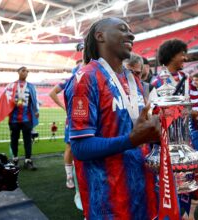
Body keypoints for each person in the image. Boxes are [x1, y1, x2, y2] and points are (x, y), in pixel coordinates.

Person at [65, 17, 160, 219]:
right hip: (109, 203)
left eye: (131, 30)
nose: (131, 34)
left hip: (143, 194)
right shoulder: (86, 79)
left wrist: (154, 134)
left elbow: (135, 129)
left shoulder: (132, 79)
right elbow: (80, 148)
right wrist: (131, 140)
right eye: (122, 29)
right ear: (100, 36)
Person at [151, 39, 198, 220]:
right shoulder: (157, 82)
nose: (185, 58)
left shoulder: (186, 80)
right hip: (165, 146)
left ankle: (186, 214)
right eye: (182, 54)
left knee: (187, 187)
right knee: (167, 190)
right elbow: (153, 113)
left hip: (186, 142)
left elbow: (192, 109)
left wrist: (192, 114)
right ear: (172, 55)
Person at [8, 66, 39, 170]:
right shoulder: (12, 85)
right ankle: (15, 159)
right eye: (23, 71)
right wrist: (15, 101)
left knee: (28, 139)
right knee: (14, 139)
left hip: (27, 118)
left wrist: (36, 110)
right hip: (14, 118)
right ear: (18, 72)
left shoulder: (31, 86)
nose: (26, 72)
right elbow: (7, 99)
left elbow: (35, 98)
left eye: (27, 71)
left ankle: (28, 160)